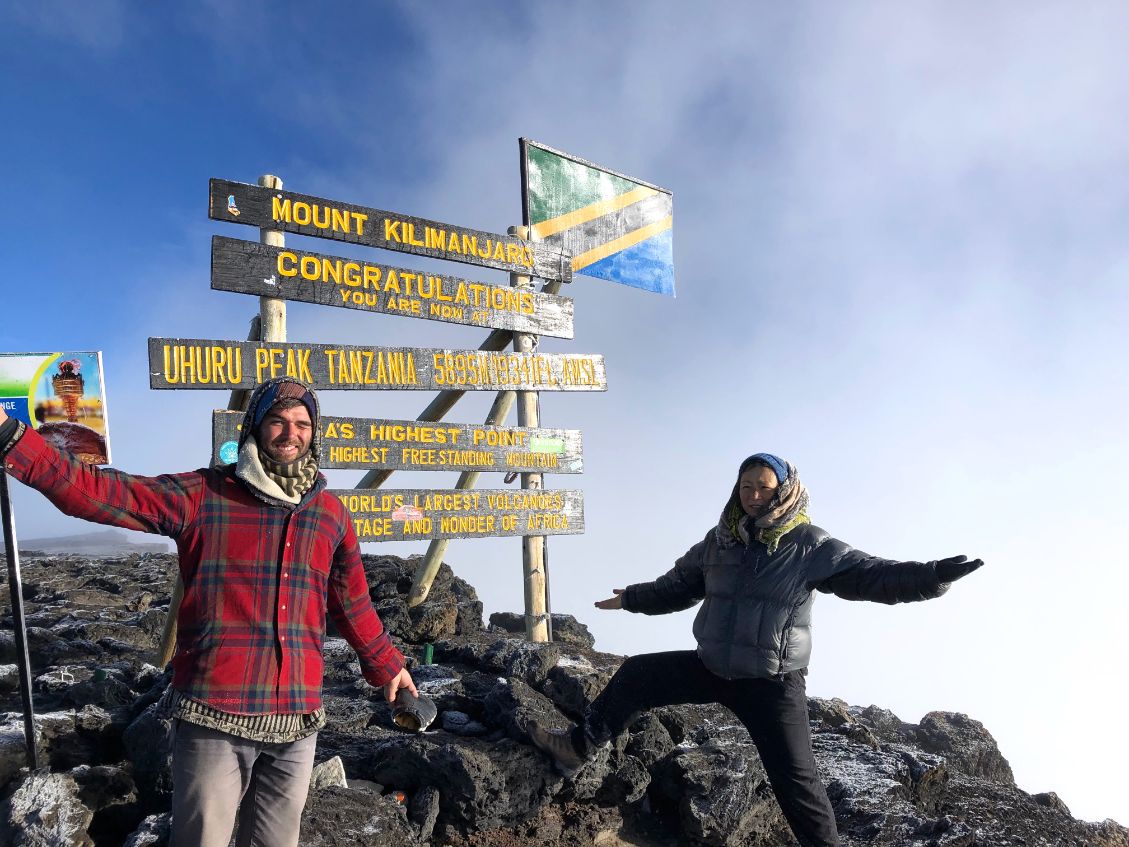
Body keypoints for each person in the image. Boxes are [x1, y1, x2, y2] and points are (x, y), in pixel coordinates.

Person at [0, 377, 416, 847]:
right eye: (277, 421)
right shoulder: (204, 494)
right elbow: (98, 492)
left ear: (313, 433)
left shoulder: (330, 514)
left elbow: (352, 602)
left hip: (297, 719)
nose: (290, 433)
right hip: (215, 715)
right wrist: (11, 437)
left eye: (302, 424)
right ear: (254, 426)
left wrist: (388, 666)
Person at [525, 453, 983, 847]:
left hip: (771, 683)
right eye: (746, 486)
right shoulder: (721, 539)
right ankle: (575, 749)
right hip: (711, 667)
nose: (753, 495)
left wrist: (930, 577)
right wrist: (631, 598)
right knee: (636, 676)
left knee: (797, 783)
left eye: (763, 487)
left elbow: (870, 574)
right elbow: (678, 586)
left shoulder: (809, 545)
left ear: (784, 489)